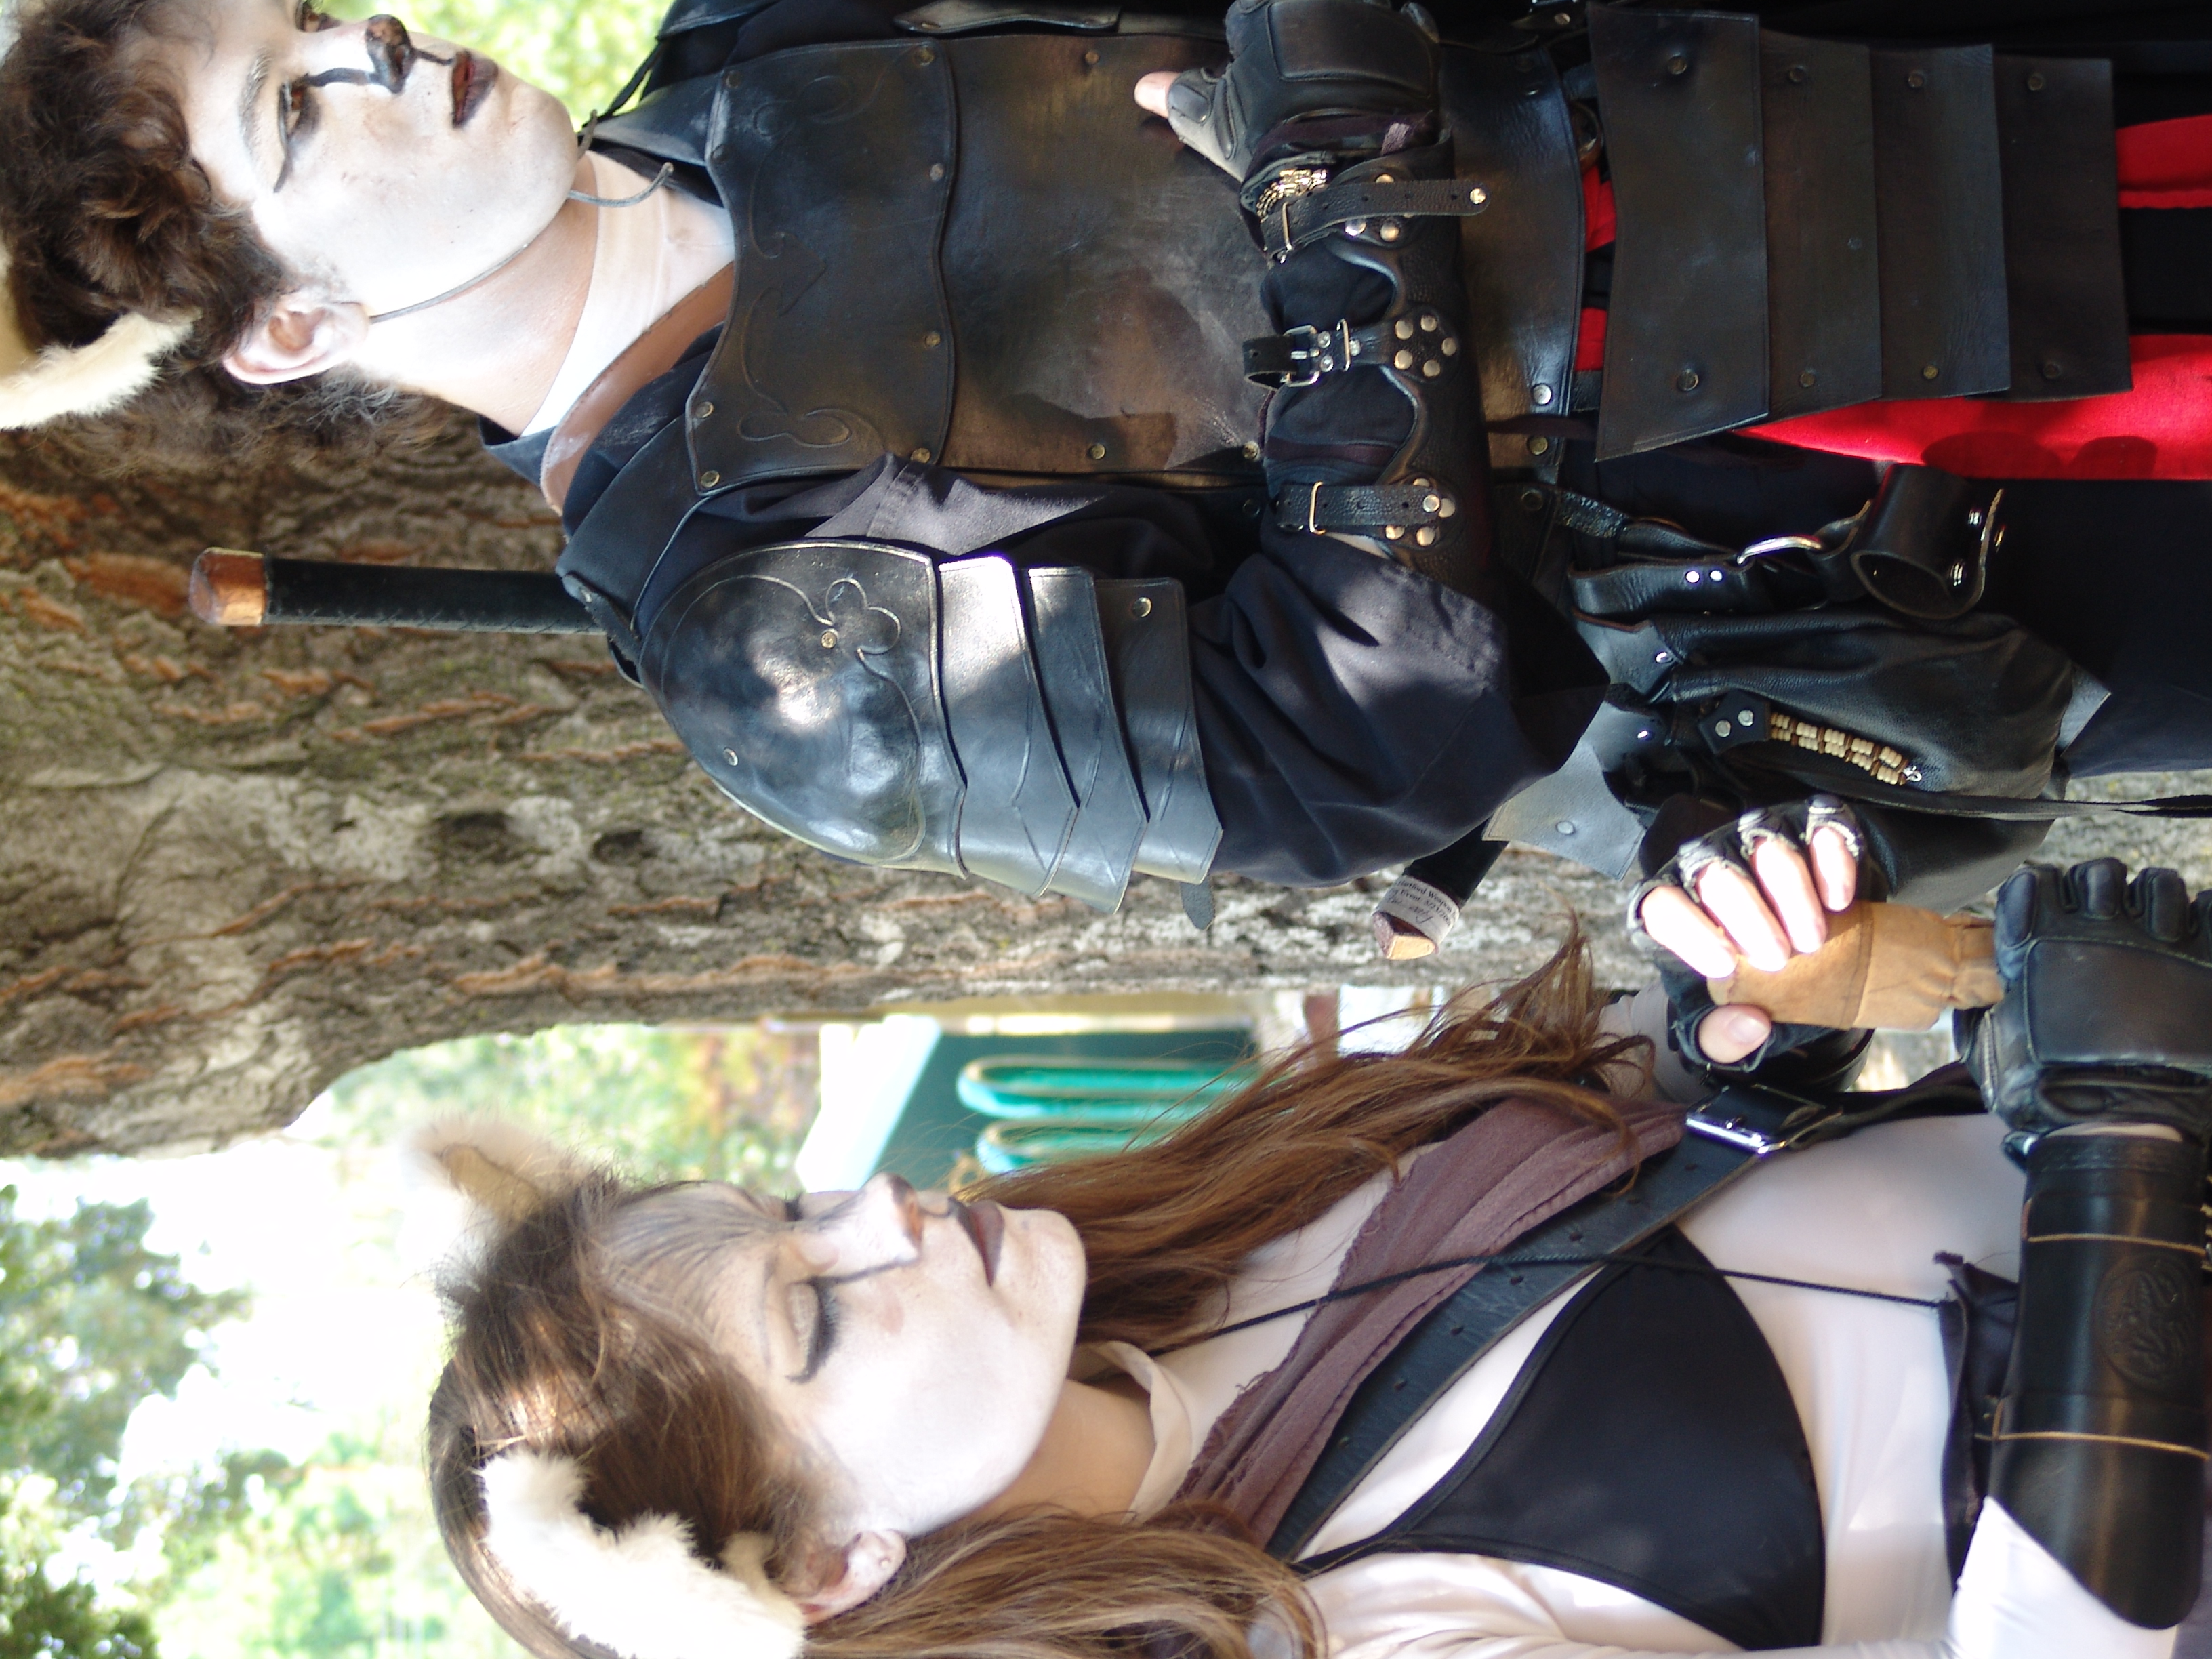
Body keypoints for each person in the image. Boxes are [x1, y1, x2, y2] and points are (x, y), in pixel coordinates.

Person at [8, 0, 2212, 918]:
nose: (386, 44)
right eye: (303, 106)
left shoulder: (767, 31)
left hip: (1892, 82)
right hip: (1884, 495)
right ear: (290, 331)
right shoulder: (768, 643)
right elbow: (1365, 746)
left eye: (323, 13)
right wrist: (1346, 203)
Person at [418, 834, 2212, 1659]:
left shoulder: (1193, 1237)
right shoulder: (1321, 1639)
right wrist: (2121, 1145)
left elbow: (1669, 1150)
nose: (875, 1211)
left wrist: (1750, 1014)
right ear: (823, 1569)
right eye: (812, 1310)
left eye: (788, 1207)